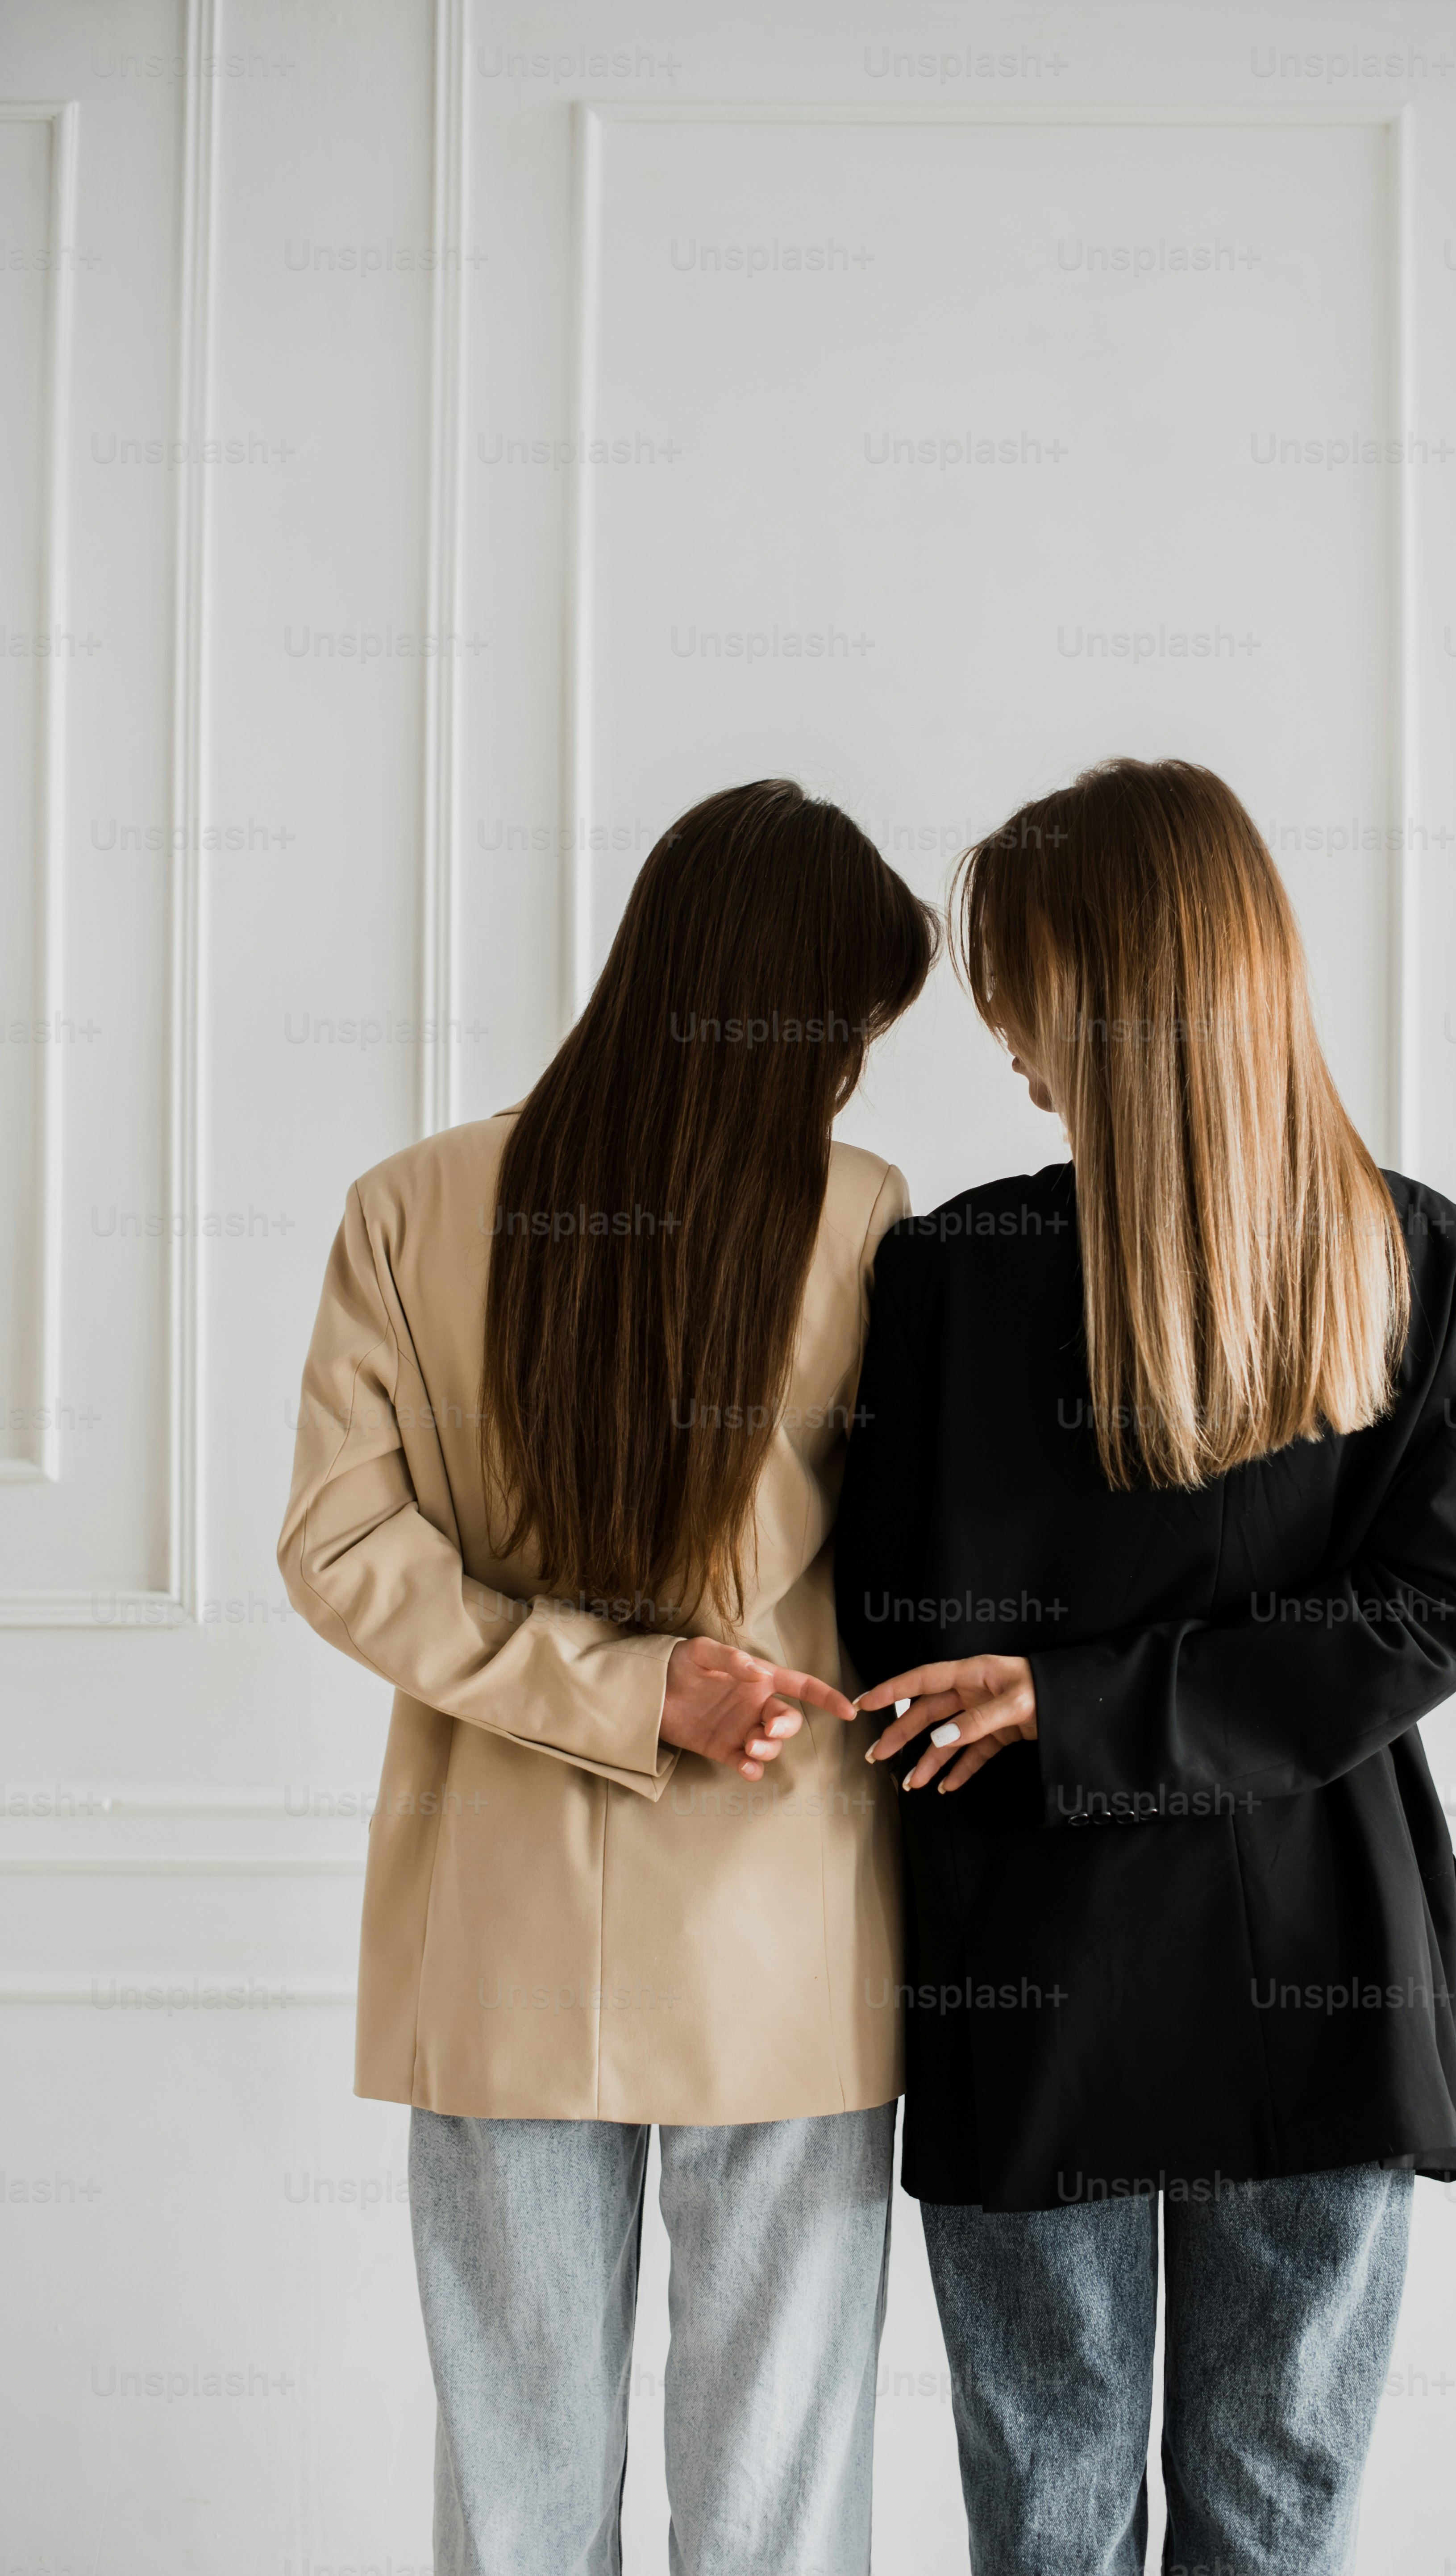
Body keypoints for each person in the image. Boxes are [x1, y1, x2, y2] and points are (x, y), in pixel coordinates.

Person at [836, 757, 1456, 2576]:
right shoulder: (1420, 1264)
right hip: (1291, 1959)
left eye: (1022, 981)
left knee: (1070, 2508)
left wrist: (1065, 1707)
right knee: (1249, 2507)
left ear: (1113, 986)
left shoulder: (958, 1279)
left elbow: (1432, 1617)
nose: (999, 1030)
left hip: (1047, 1969)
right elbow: (1416, 1620)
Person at [278, 780, 936, 2576]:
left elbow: (343, 1553)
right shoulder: (865, 1217)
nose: (851, 1080)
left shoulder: (412, 1208)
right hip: (785, 1919)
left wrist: (601, 1682)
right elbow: (911, 1562)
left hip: (498, 1936)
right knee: (781, 2502)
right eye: (852, 1032)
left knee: (513, 2492)